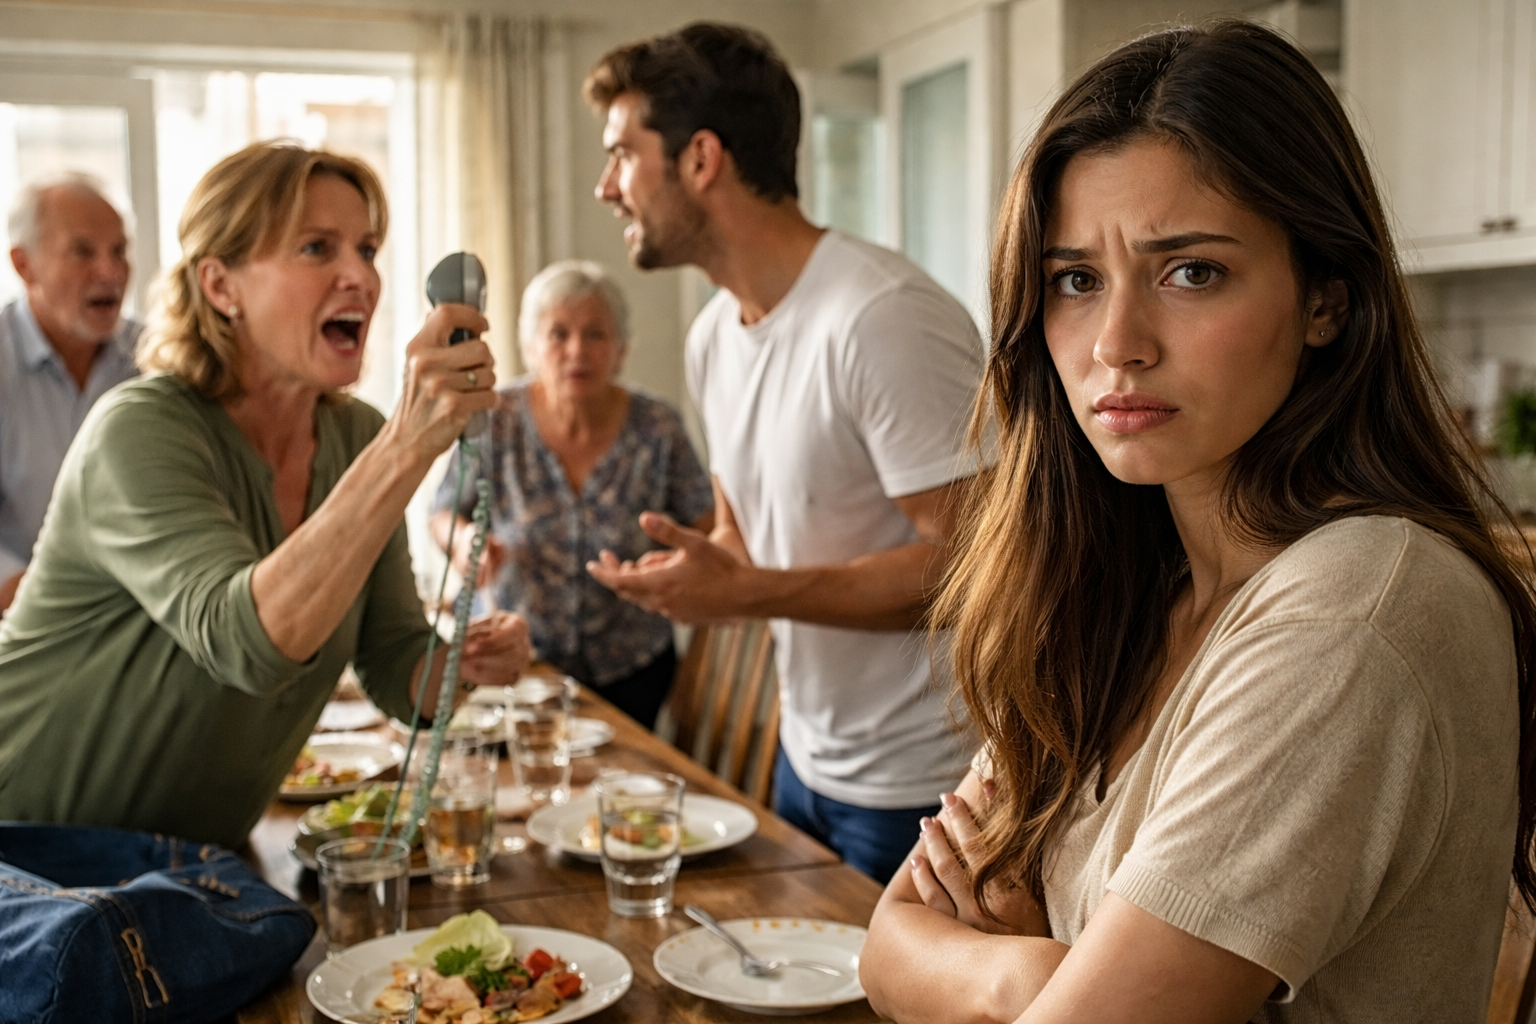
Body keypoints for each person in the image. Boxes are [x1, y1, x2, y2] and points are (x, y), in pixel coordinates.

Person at [858, 20, 1536, 1023]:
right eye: (1075, 281)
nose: (1116, 345)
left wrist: (1017, 965)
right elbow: (885, 945)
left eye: (1192, 272)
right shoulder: (1129, 591)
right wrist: (1025, 978)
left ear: (1327, 301)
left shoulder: (1349, 613)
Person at [0, 142, 531, 849]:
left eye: (366, 249)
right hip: (30, 868)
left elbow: (395, 660)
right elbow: (246, 642)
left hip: (190, 872)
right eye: (316, 248)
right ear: (221, 286)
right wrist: (405, 449)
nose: (360, 278)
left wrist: (463, 663)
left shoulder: (355, 437)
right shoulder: (139, 430)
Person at [582, 23, 986, 883]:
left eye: (622, 154)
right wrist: (698, 579)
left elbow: (979, 565)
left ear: (700, 159)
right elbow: (747, 541)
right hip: (800, 765)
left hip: (926, 789)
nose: (605, 185)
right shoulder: (711, 339)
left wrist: (751, 589)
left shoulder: (881, 317)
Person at [430, 260, 713, 728]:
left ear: (620, 349)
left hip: (631, 666)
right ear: (532, 346)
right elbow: (443, 511)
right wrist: (464, 544)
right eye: (558, 334)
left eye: (596, 335)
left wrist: (675, 571)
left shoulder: (658, 428)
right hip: (515, 664)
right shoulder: (495, 418)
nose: (577, 350)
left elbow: (707, 532)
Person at [0, 174, 141, 612]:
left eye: (119, 251)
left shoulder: (159, 357)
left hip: (146, 621)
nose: (110, 272)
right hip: (22, 629)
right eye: (83, 252)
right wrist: (61, 606)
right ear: (25, 265)